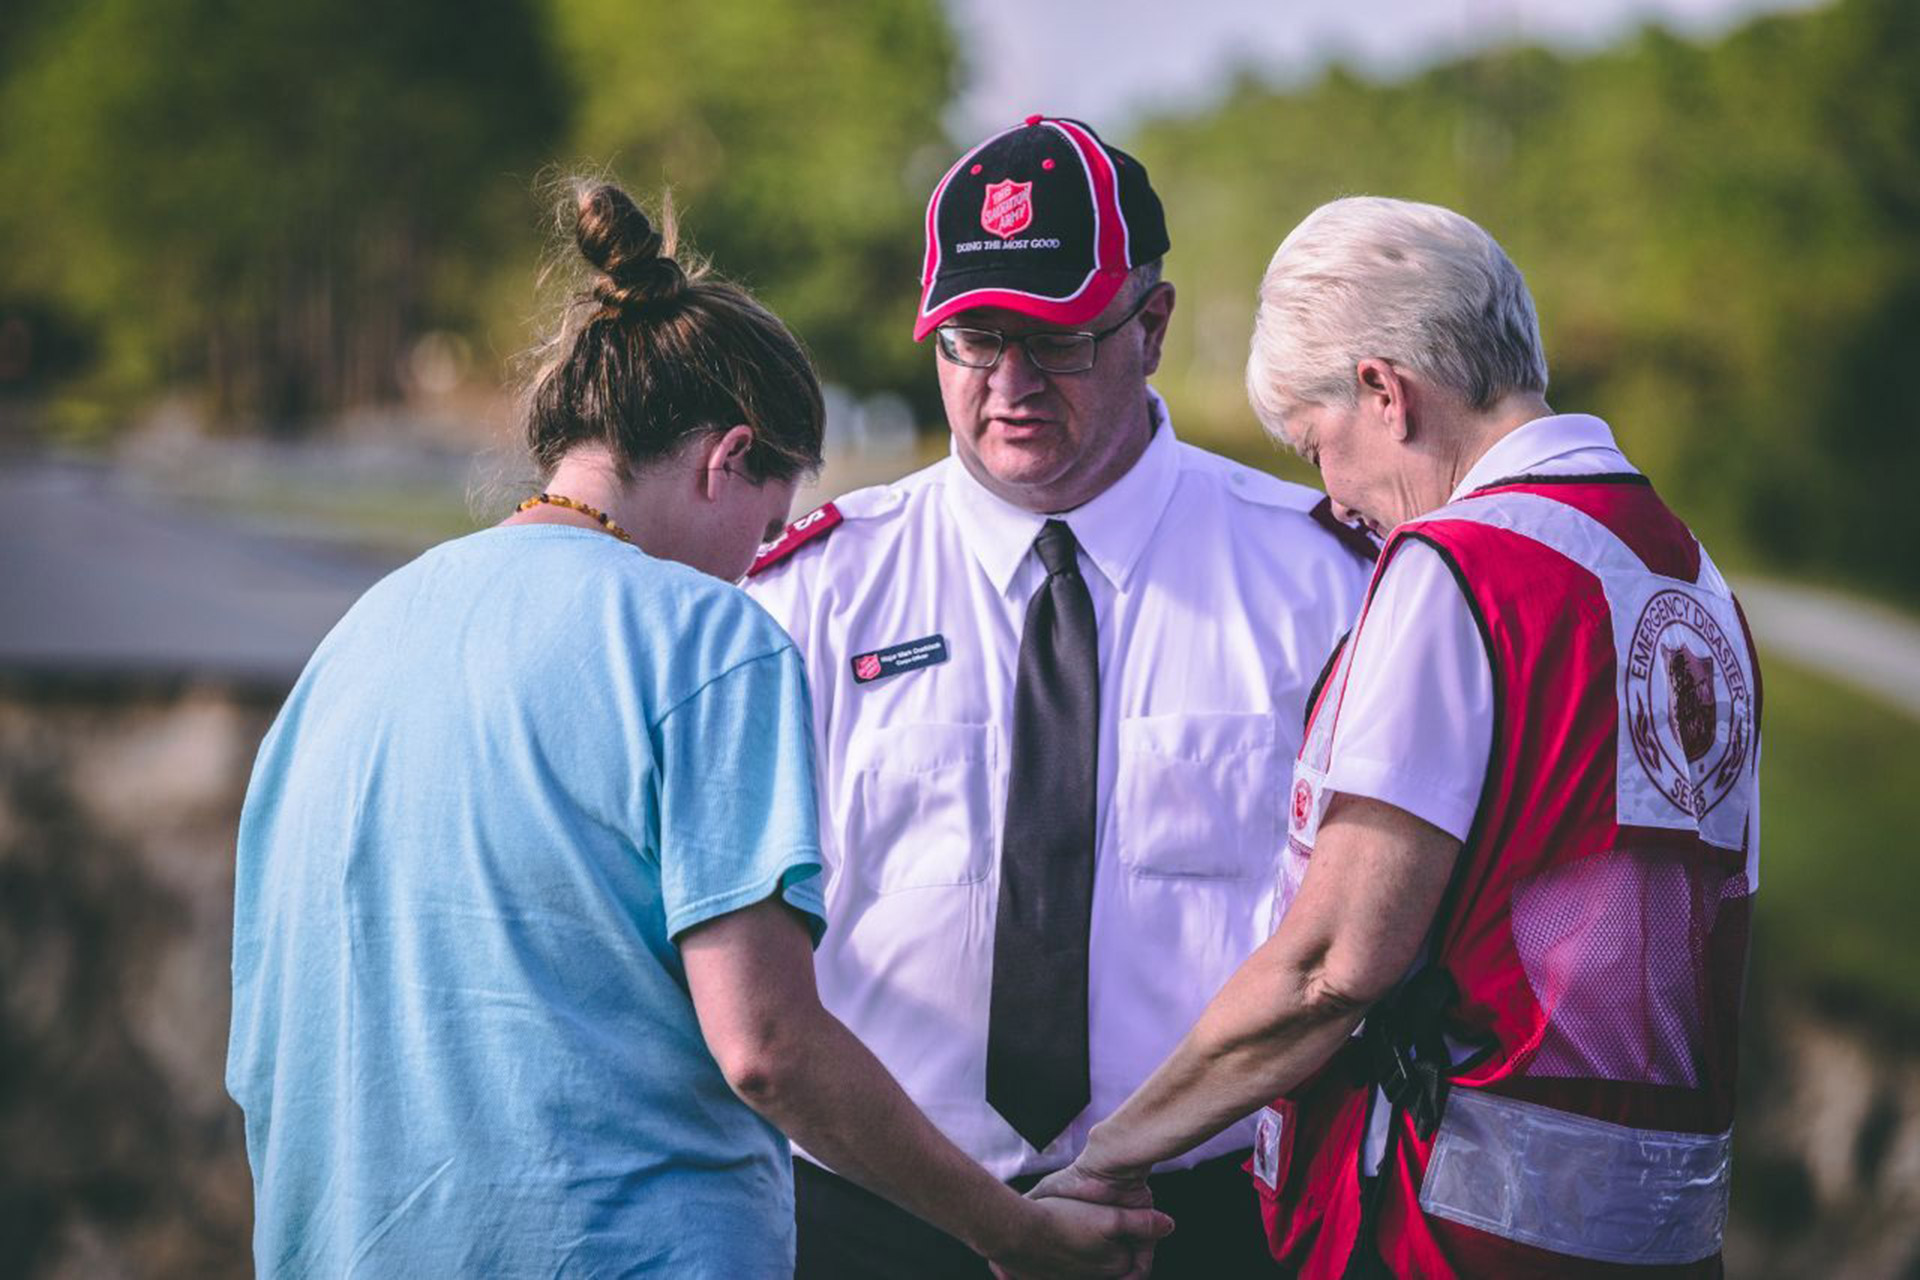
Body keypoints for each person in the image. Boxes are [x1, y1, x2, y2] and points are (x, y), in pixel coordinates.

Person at [225, 180, 1172, 1279]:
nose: (758, 562)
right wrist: (1011, 1231)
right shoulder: (705, 634)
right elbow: (767, 1048)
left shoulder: (362, 635)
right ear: (728, 458)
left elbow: (268, 1032)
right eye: (767, 526)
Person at [1032, 196, 1764, 1277]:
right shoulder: (1685, 566)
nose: (1330, 488)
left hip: (1465, 1223)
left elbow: (1334, 962)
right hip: (1662, 1222)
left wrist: (1107, 1155)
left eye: (1316, 441)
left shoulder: (1461, 567)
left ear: (1384, 390)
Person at [743, 115, 1374, 1278]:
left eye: (1060, 340)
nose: (1011, 384)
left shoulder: (1318, 583)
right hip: (874, 1223)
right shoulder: (814, 592)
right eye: (975, 339)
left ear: (1154, 325)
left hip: (1203, 1224)